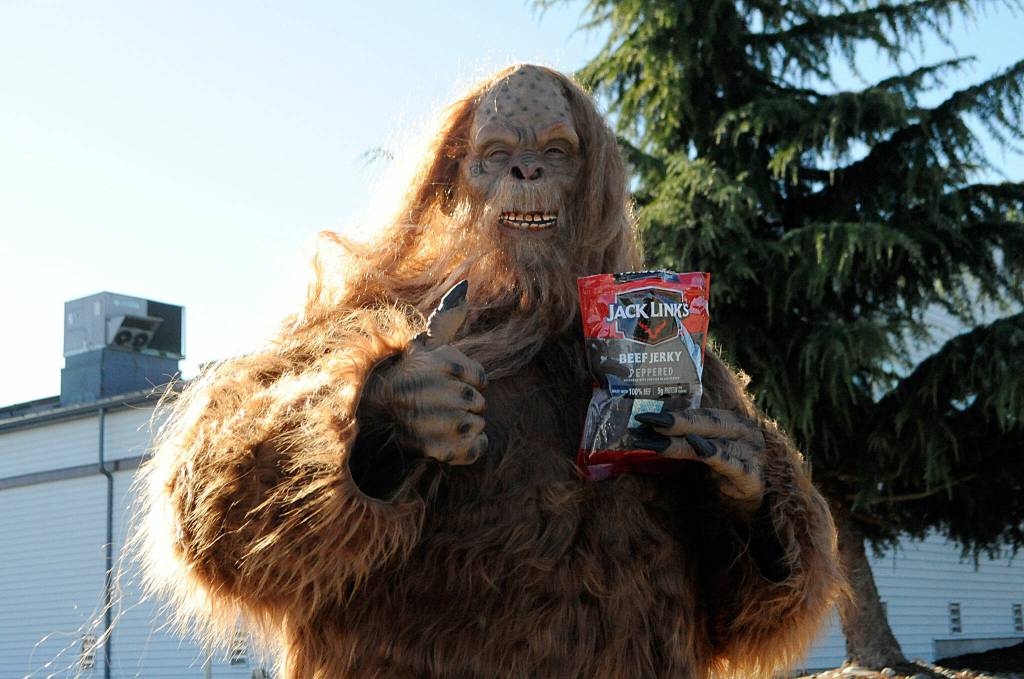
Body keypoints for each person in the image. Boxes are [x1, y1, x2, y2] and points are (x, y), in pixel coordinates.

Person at [140, 64, 843, 679]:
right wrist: (369, 419)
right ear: (455, 179)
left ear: (594, 184)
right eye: (497, 153)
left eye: (555, 152)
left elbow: (749, 624)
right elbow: (209, 521)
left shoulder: (654, 347)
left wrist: (754, 507)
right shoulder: (371, 320)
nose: (525, 172)